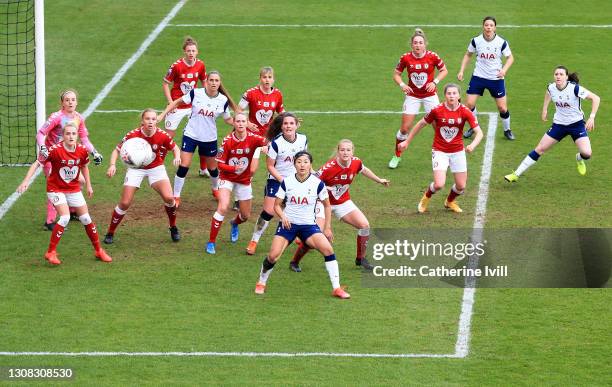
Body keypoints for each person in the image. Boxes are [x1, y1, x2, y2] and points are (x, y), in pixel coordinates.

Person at [254, 151, 350, 299]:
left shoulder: (318, 184)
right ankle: (261, 282)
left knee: (328, 250)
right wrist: (283, 216)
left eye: (305, 162)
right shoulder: (287, 182)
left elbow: (327, 206)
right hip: (288, 225)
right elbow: (277, 205)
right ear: (294, 164)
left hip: (308, 227)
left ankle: (336, 288)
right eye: (299, 162)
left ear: (310, 164)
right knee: (273, 256)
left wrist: (327, 227)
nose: (302, 165)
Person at [18, 122, 112, 265]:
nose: (71, 136)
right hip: (56, 189)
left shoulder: (81, 150)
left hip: (73, 189)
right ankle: (50, 252)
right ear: (63, 136)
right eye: (67, 133)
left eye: (73, 133)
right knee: (65, 217)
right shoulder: (54, 150)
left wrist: (89, 186)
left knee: (86, 218)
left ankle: (99, 250)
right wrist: (25, 181)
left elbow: (85, 167)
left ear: (77, 136)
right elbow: (37, 163)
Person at [290, 139, 390, 272]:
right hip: (323, 203)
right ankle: (294, 261)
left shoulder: (356, 162)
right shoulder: (329, 168)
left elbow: (363, 169)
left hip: (342, 202)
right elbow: (312, 183)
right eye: (342, 150)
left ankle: (360, 259)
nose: (345, 152)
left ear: (352, 151)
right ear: (338, 151)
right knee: (314, 237)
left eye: (348, 150)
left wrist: (379, 180)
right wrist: (325, 188)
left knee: (364, 225)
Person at [504, 66, 600, 182]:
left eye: (561, 74)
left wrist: (592, 117)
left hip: (576, 125)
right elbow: (548, 92)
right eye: (556, 74)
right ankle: (516, 174)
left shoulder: (575, 89)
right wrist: (545, 109)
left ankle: (579, 158)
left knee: (587, 153)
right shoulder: (551, 87)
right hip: (559, 125)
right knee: (540, 149)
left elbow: (596, 98)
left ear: (566, 77)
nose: (558, 76)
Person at [398, 84, 483, 213]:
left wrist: (472, 145)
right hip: (440, 151)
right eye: (449, 93)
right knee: (439, 184)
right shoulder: (437, 110)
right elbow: (421, 124)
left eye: (454, 93)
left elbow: (479, 133)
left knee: (461, 186)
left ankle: (449, 201)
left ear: (459, 96)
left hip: (457, 152)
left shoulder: (465, 111)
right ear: (445, 95)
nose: (452, 96)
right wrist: (407, 141)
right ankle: (426, 196)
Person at [158, 70, 237, 207]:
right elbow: (177, 102)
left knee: (213, 169)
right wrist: (162, 115)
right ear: (206, 81)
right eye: (211, 80)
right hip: (191, 135)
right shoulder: (196, 93)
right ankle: (176, 196)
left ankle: (215, 189)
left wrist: (245, 124)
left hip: (209, 138)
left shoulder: (223, 100)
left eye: (216, 81)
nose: (213, 83)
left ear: (219, 83)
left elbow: (228, 119)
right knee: (184, 166)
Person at [103, 109, 181, 244]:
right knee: (125, 203)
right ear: (142, 121)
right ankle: (110, 232)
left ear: (156, 121)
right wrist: (112, 165)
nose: (151, 122)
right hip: (136, 169)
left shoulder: (162, 135)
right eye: (147, 119)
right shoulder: (133, 135)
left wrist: (177, 157)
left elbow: (175, 148)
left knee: (169, 198)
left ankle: (173, 226)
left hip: (156, 168)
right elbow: (117, 150)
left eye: (153, 119)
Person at [36, 89, 104, 230]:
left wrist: (95, 153)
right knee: (55, 187)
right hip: (53, 158)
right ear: (62, 103)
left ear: (76, 102)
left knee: (79, 181)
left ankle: (73, 211)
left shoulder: (79, 118)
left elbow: (84, 139)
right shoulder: (56, 117)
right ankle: (50, 221)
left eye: (73, 99)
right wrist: (43, 148)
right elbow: (41, 133)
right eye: (67, 100)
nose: (70, 102)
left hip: (68, 157)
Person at [246, 112, 308, 255]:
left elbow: (304, 159)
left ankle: (297, 234)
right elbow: (270, 166)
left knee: (295, 209)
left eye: (291, 123)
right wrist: (283, 181)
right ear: (282, 126)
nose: (288, 126)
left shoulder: (303, 139)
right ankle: (254, 240)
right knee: (268, 212)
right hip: (276, 180)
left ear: (296, 125)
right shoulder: (276, 144)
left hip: (295, 181)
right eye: (285, 124)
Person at [205, 112, 267, 254]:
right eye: (237, 121)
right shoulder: (227, 141)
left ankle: (234, 223)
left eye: (243, 121)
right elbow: (219, 165)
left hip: (244, 181)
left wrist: (266, 147)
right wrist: (234, 168)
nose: (240, 124)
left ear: (247, 123)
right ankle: (211, 242)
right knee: (223, 207)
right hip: (227, 178)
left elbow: (268, 143)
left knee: (245, 216)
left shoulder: (253, 138)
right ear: (233, 123)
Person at [389, 28, 448, 169]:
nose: (418, 45)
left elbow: (444, 70)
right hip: (413, 96)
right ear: (411, 44)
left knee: (438, 127)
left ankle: (446, 156)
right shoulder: (405, 58)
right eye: (415, 43)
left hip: (430, 96)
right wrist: (402, 84)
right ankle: (396, 156)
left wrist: (435, 82)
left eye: (420, 43)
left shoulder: (432, 56)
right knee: (404, 129)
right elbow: (396, 74)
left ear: (425, 44)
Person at [457, 16, 515, 140]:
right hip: (479, 76)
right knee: (470, 104)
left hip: (496, 79)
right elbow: (468, 55)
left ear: (495, 28)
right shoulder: (476, 41)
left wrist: (503, 70)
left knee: (502, 108)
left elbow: (510, 58)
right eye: (486, 25)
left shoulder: (501, 42)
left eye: (491, 25)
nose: (488, 27)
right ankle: (474, 127)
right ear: (483, 26)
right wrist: (461, 71)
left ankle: (507, 130)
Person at [162, 36, 210, 177]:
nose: (191, 53)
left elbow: (204, 81)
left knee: (200, 135)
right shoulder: (176, 66)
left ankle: (203, 168)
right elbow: (166, 83)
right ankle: (158, 164)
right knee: (168, 137)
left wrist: (206, 98)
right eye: (188, 50)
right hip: (177, 106)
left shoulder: (200, 65)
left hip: (192, 107)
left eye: (193, 51)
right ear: (184, 51)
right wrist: (171, 102)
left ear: (197, 52)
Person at [237, 66, 285, 176]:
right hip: (253, 134)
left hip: (269, 135)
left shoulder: (277, 94)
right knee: (251, 169)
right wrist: (247, 124)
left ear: (273, 79)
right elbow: (238, 110)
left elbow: (281, 111)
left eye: (269, 77)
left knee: (276, 165)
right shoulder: (250, 93)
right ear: (260, 78)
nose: (267, 80)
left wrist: (292, 119)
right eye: (264, 77)